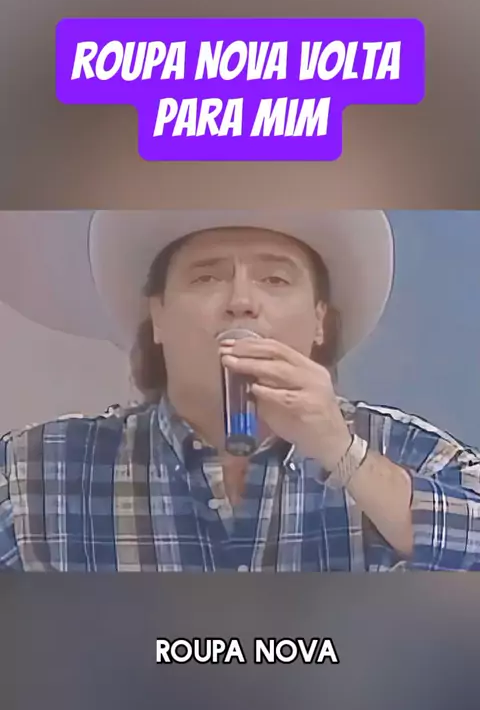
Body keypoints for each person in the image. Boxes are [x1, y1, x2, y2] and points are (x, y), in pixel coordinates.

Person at [1, 209, 480, 572]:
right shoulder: (33, 472)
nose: (241, 301)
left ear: (319, 320)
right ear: (158, 317)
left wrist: (343, 453)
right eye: (207, 277)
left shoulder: (414, 453)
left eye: (275, 279)